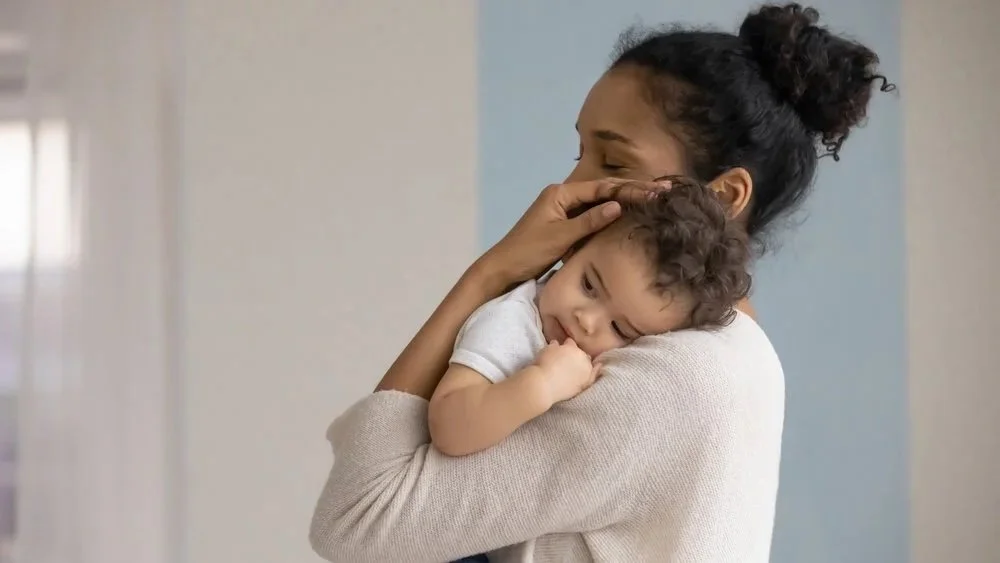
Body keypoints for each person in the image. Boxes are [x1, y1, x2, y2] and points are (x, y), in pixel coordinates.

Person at [309, 3, 893, 562]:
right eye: (579, 153)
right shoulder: (725, 354)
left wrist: (491, 273)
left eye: (612, 163)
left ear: (722, 197)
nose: (565, 188)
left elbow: (356, 518)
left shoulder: (671, 381)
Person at [428, 177, 752, 458]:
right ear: (572, 250)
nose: (586, 320)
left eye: (619, 329)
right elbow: (448, 425)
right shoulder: (512, 323)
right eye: (588, 285)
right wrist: (541, 385)